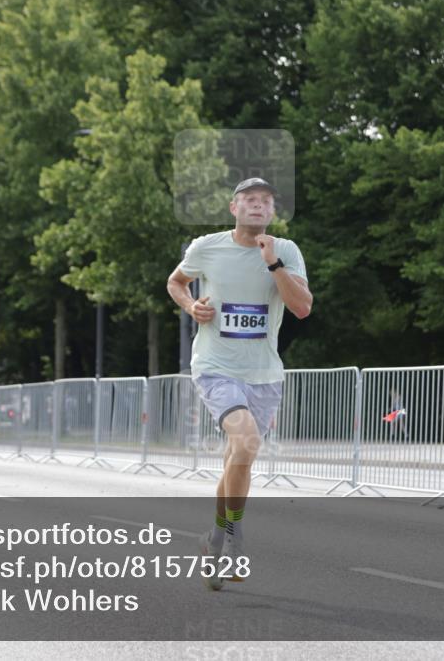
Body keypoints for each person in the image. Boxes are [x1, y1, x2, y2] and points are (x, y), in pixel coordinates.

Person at [166, 177, 313, 590]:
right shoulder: (207, 246)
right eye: (250, 199)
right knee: (246, 442)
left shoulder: (285, 250)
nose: (258, 205)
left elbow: (302, 307)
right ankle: (235, 537)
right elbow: (176, 282)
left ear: (273, 211)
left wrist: (273, 264)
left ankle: (214, 539)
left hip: (263, 373)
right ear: (234, 208)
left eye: (266, 200)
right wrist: (190, 305)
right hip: (215, 366)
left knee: (239, 457)